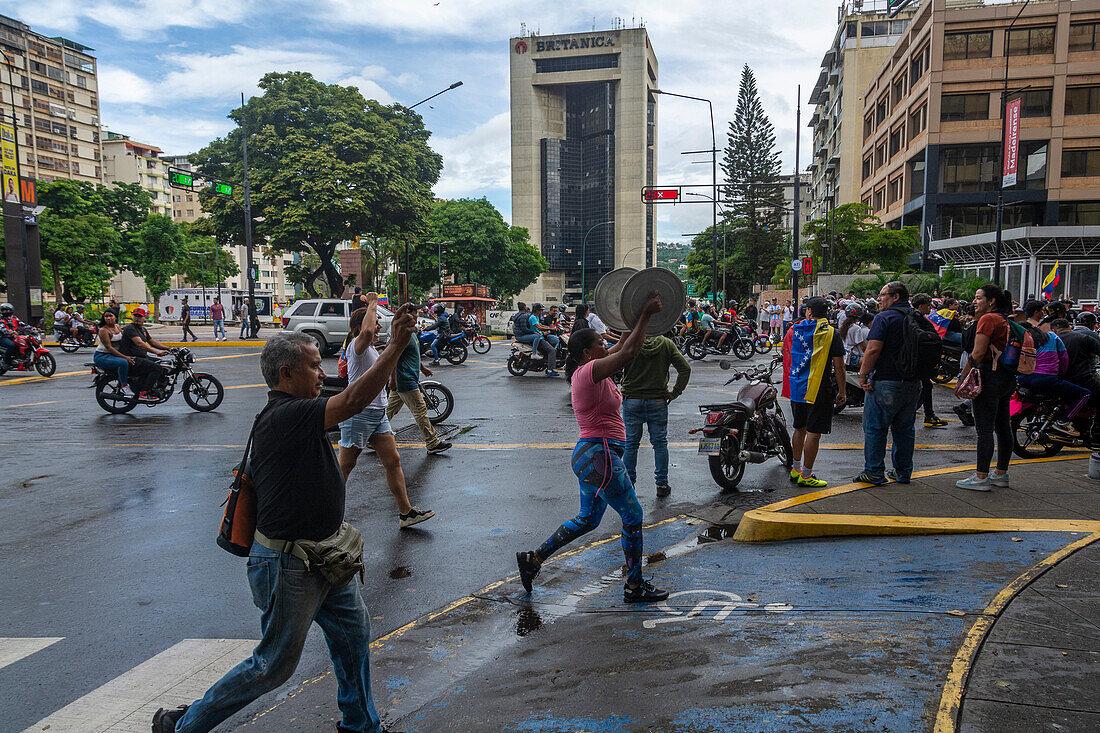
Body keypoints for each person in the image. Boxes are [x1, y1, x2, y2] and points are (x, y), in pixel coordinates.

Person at [152, 309, 417, 733]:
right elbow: (351, 400)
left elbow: (347, 389)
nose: (322, 372)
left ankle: (360, 724)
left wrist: (373, 330)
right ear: (285, 373)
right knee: (273, 665)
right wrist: (398, 346)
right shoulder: (285, 416)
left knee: (352, 636)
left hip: (323, 556)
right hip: (288, 566)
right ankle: (184, 725)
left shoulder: (299, 408)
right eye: (314, 365)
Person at [515, 292, 670, 604]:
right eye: (600, 342)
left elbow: (625, 346)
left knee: (588, 519)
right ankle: (634, 586)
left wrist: (632, 313)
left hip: (593, 457)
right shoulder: (588, 372)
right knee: (633, 517)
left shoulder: (593, 368)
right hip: (600, 456)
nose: (605, 344)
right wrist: (645, 317)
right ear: (586, 352)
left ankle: (533, 559)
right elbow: (629, 354)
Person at [338, 306, 433, 529]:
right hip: (360, 414)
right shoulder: (357, 346)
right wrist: (371, 302)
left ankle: (406, 513)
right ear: (361, 328)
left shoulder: (369, 349)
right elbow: (368, 332)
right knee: (345, 466)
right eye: (375, 321)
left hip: (378, 413)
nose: (378, 326)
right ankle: (327, 516)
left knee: (393, 461)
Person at [855, 281, 922, 485]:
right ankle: (903, 472)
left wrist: (863, 374)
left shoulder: (884, 318)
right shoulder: (917, 317)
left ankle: (874, 472)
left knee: (875, 428)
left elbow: (873, 349)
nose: (879, 298)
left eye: (883, 295)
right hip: (913, 382)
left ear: (896, 297)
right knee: (905, 429)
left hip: (885, 381)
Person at [954, 285, 1016, 491]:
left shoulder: (988, 319)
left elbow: (978, 353)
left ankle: (981, 477)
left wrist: (962, 377)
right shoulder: (1007, 319)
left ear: (991, 301)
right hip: (1006, 377)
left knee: (984, 429)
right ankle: (1001, 473)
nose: (974, 301)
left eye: (979, 298)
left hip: (988, 376)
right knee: (1003, 427)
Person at [784, 297, 847, 487]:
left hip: (797, 386)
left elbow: (786, 355)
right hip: (818, 387)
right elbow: (839, 367)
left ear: (809, 311)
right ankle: (807, 474)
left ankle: (795, 469)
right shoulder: (830, 333)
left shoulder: (794, 330)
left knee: (799, 428)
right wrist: (842, 391)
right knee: (814, 432)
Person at [620, 331, 691, 497]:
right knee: (659, 444)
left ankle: (630, 485)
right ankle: (662, 484)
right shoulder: (666, 344)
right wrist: (676, 392)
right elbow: (685, 369)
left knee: (631, 444)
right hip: (658, 401)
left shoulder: (631, 342)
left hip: (632, 400)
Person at [1016, 318, 1088, 439]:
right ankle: (1064, 422)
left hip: (1024, 379)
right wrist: (1062, 374)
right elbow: (1064, 359)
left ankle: (1046, 415)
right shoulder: (1052, 337)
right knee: (1085, 394)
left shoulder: (1021, 340)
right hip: (1047, 379)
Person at [385, 328, 452, 455]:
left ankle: (373, 437)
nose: (416, 318)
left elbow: (412, 355)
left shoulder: (413, 333)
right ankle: (432, 442)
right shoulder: (402, 335)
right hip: (405, 380)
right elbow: (393, 357)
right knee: (420, 410)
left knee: (389, 411)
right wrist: (393, 379)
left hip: (407, 379)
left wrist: (422, 368)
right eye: (414, 315)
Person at [1054, 318, 1100, 443]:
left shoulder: (1053, 339)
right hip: (1083, 378)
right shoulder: (1084, 338)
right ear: (1069, 326)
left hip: (1060, 380)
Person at [912, 294, 948, 428]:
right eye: (928, 305)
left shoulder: (917, 318)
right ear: (921, 306)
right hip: (921, 361)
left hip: (923, 360)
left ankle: (928, 414)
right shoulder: (916, 319)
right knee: (925, 387)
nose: (930, 308)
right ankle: (927, 414)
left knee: (925, 386)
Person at [118, 307, 170, 393]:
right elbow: (140, 343)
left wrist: (169, 348)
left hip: (142, 357)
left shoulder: (143, 329)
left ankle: (153, 386)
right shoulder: (130, 328)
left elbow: (152, 343)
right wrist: (157, 352)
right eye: (136, 316)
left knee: (163, 364)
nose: (137, 318)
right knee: (157, 368)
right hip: (132, 359)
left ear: (144, 318)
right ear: (132, 317)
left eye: (140, 316)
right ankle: (144, 392)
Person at [93, 310, 134, 396]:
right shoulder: (103, 330)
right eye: (106, 316)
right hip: (103, 356)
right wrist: (125, 357)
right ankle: (124, 386)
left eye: (110, 316)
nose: (108, 318)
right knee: (123, 363)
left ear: (115, 317)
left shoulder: (117, 327)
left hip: (113, 355)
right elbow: (109, 348)